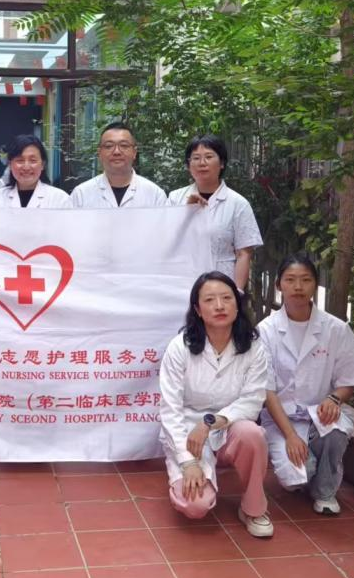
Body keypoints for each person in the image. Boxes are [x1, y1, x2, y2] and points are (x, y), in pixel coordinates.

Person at [159, 271, 274, 538]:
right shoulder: (180, 347)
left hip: (228, 428)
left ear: (237, 304)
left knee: (252, 434)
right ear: (198, 310)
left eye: (226, 298)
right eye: (210, 300)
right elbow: (170, 409)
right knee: (195, 506)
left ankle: (254, 508)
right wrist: (188, 462)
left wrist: (210, 423)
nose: (220, 306)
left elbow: (252, 401)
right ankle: (188, 474)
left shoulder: (253, 347)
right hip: (187, 433)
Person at [259, 254, 354, 515]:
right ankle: (308, 469)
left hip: (321, 414)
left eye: (306, 280)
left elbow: (349, 378)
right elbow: (267, 390)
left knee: (335, 433)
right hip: (283, 418)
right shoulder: (266, 330)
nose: (298, 287)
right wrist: (290, 436)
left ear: (315, 284)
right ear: (278, 285)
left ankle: (325, 492)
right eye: (290, 280)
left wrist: (334, 399)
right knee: (296, 477)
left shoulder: (336, 329)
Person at [168, 135, 263, 292]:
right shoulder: (175, 198)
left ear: (222, 163)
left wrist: (236, 292)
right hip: (183, 284)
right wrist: (186, 212)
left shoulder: (238, 203)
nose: (202, 163)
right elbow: (168, 242)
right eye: (196, 158)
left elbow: (243, 254)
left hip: (222, 284)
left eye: (209, 157)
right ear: (188, 165)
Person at [70, 122, 168, 208]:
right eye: (109, 146)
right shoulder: (81, 195)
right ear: (99, 153)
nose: (116, 152)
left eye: (124, 145)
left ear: (134, 152)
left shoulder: (155, 195)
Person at [0, 135, 72, 208]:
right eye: (20, 160)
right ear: (10, 164)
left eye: (33, 160)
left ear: (42, 164)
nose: (26, 167)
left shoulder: (60, 199)